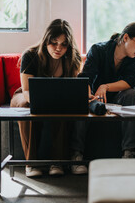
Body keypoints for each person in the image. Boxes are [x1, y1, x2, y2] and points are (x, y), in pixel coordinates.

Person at [10, 19, 89, 177]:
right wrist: (41, 102)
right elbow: (26, 89)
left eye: (64, 44)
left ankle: (57, 161)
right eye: (54, 42)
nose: (59, 48)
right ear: (46, 40)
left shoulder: (72, 59)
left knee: (59, 106)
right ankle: (31, 163)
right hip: (26, 95)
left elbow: (71, 88)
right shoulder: (31, 55)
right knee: (27, 105)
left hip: (56, 97)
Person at [79, 22, 135, 158]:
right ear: (126, 38)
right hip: (95, 100)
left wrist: (105, 86)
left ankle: (129, 151)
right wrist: (89, 95)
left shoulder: (133, 58)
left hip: (117, 98)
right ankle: (76, 153)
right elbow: (85, 78)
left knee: (132, 94)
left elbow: (131, 81)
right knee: (80, 97)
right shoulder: (98, 50)